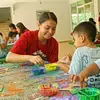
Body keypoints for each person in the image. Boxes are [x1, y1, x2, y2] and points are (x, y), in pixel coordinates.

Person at [57, 22, 100, 88]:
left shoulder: (79, 51)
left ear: (82, 38)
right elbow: (88, 63)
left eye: (75, 40)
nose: (74, 44)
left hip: (86, 92)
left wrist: (61, 65)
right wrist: (70, 63)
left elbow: (73, 74)